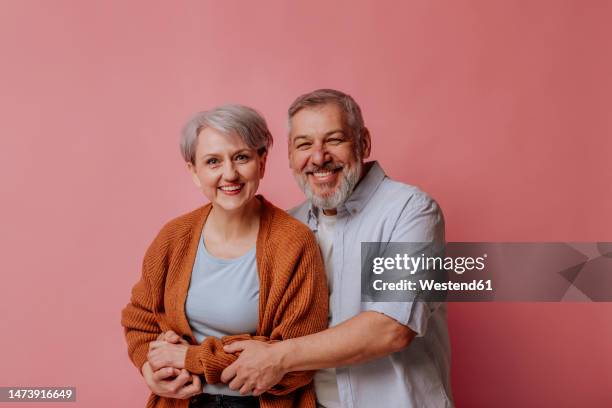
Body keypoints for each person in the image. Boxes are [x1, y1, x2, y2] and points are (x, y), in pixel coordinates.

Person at [217, 90, 454, 407]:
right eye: (304, 145)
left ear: (363, 143)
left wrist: (279, 358)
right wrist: (168, 352)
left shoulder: (410, 210)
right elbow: (247, 318)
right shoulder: (288, 225)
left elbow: (391, 328)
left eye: (334, 140)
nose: (318, 157)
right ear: (289, 156)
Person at [121, 104, 329, 408]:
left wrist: (190, 357)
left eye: (241, 157)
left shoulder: (294, 242)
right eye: (213, 161)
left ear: (262, 161)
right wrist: (149, 367)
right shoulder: (173, 237)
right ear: (194, 171)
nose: (229, 174)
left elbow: (297, 358)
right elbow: (139, 320)